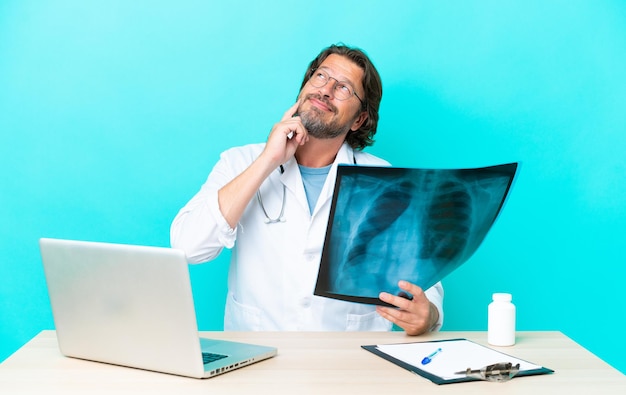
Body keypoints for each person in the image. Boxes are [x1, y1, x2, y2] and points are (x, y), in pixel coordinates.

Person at [170, 44, 444, 335]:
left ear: (359, 119)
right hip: (257, 359)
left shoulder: (384, 180)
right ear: (305, 87)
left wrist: (427, 316)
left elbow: (425, 281)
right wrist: (267, 161)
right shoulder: (241, 162)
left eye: (343, 88)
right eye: (321, 76)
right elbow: (188, 247)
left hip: (350, 362)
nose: (326, 90)